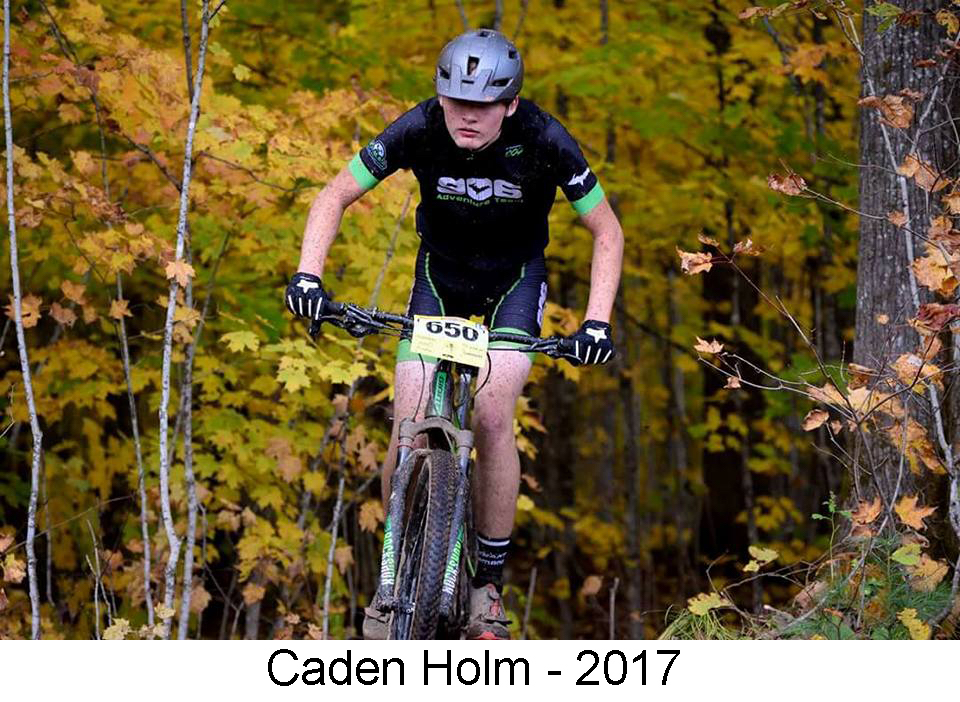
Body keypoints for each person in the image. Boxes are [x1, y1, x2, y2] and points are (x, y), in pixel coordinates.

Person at [284, 29, 623, 639]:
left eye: (483, 106)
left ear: (510, 105)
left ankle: (487, 587)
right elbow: (334, 195)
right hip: (439, 279)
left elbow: (607, 230)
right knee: (408, 418)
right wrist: (309, 276)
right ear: (440, 98)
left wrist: (596, 321)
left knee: (493, 415)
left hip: (514, 284)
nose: (467, 117)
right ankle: (393, 578)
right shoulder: (418, 127)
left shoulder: (545, 139)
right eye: (456, 103)